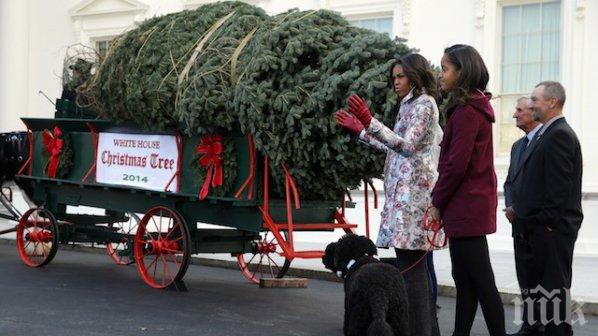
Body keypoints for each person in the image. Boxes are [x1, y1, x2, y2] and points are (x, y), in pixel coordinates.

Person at [335, 53, 444, 336]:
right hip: (403, 203)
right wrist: (362, 131)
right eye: (394, 77)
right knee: (409, 272)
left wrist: (370, 122)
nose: (395, 82)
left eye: (401, 76)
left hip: (414, 203)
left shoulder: (424, 105)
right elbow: (394, 147)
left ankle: (422, 331)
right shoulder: (408, 106)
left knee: (414, 275)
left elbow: (406, 146)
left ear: (415, 76)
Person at [429, 44, 505, 336]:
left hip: (467, 209)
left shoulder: (466, 112)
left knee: (481, 283)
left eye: (445, 68)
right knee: (467, 282)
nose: (440, 74)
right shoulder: (469, 109)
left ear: (462, 72)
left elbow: (455, 166)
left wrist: (437, 202)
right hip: (467, 208)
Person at [512, 81, 583, 336]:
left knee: (554, 297)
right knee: (543, 294)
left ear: (552, 102)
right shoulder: (547, 134)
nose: (531, 104)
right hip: (541, 229)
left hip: (551, 231)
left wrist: (547, 223)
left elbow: (558, 189)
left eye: (535, 99)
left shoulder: (560, 134)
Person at [503, 97, 543, 336]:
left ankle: (543, 326)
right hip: (518, 224)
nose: (514, 115)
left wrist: (521, 209)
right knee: (524, 277)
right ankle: (530, 325)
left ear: (533, 112)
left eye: (519, 110)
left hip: (539, 225)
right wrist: (510, 206)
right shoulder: (517, 146)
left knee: (542, 280)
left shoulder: (547, 141)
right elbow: (510, 181)